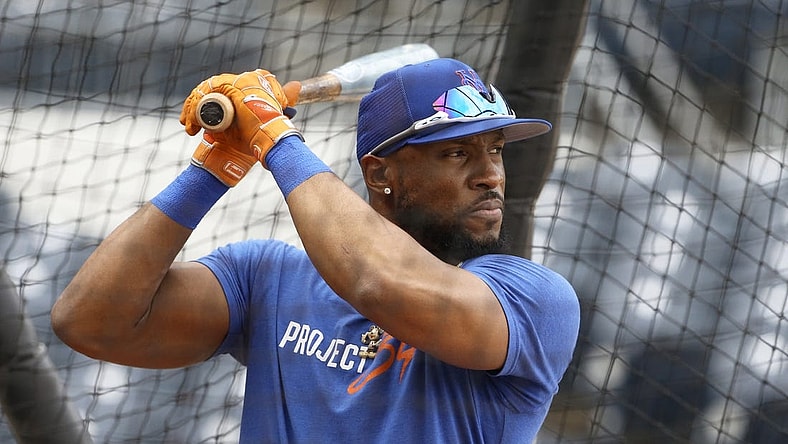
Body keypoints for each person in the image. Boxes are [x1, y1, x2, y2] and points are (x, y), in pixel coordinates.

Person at [51, 58, 580, 443]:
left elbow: (379, 283)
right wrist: (216, 164)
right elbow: (91, 321)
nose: (490, 175)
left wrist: (276, 139)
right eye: (457, 152)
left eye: (495, 150)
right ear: (380, 174)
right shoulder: (268, 278)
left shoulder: (533, 300)